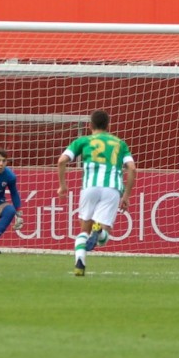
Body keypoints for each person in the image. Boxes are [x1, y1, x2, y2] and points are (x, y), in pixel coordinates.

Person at [58, 109, 136, 277]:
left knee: (83, 231)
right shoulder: (119, 143)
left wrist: (63, 186)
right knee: (103, 236)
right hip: (111, 188)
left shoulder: (83, 141)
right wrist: (127, 195)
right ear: (108, 125)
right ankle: (99, 232)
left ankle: (80, 263)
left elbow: (62, 161)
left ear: (90, 125)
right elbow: (132, 168)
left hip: (90, 188)